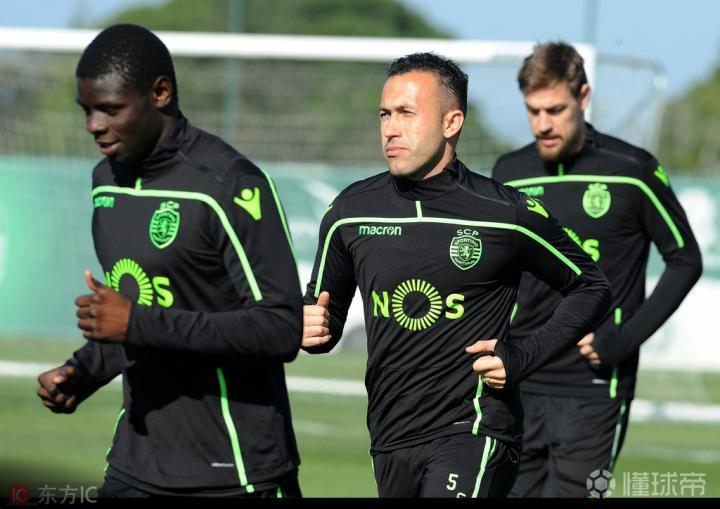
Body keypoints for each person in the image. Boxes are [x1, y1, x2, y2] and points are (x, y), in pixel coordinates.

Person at [301, 52, 612, 498]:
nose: (391, 128)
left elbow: (590, 286)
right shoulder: (349, 212)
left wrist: (522, 356)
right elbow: (321, 319)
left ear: (452, 123)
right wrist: (309, 327)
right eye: (385, 114)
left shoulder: (505, 213)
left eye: (407, 113)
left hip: (476, 429)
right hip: (390, 434)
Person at [35, 24, 303, 498]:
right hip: (135, 463)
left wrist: (135, 322)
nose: (93, 125)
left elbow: (281, 327)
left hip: (234, 470)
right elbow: (141, 314)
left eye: (110, 109)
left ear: (160, 93)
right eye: (87, 110)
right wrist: (84, 370)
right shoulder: (106, 181)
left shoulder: (230, 184)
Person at [492, 41, 703, 498]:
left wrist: (625, 339)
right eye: (533, 111)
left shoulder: (632, 170)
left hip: (596, 390)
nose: (543, 124)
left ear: (583, 97)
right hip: (520, 381)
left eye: (555, 110)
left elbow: (686, 259)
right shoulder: (510, 173)